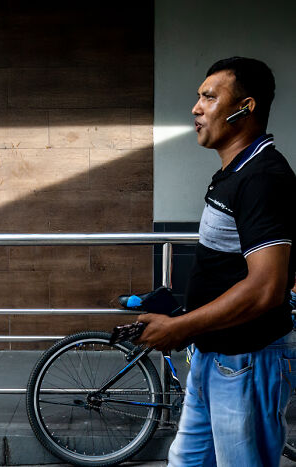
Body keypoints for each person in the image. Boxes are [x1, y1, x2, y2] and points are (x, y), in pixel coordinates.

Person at [137, 57, 296, 466]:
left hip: (245, 363)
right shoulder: (233, 172)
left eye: (209, 96)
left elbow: (266, 288)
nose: (196, 107)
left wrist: (180, 328)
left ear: (246, 107)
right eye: (198, 97)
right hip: (211, 359)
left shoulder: (262, 178)